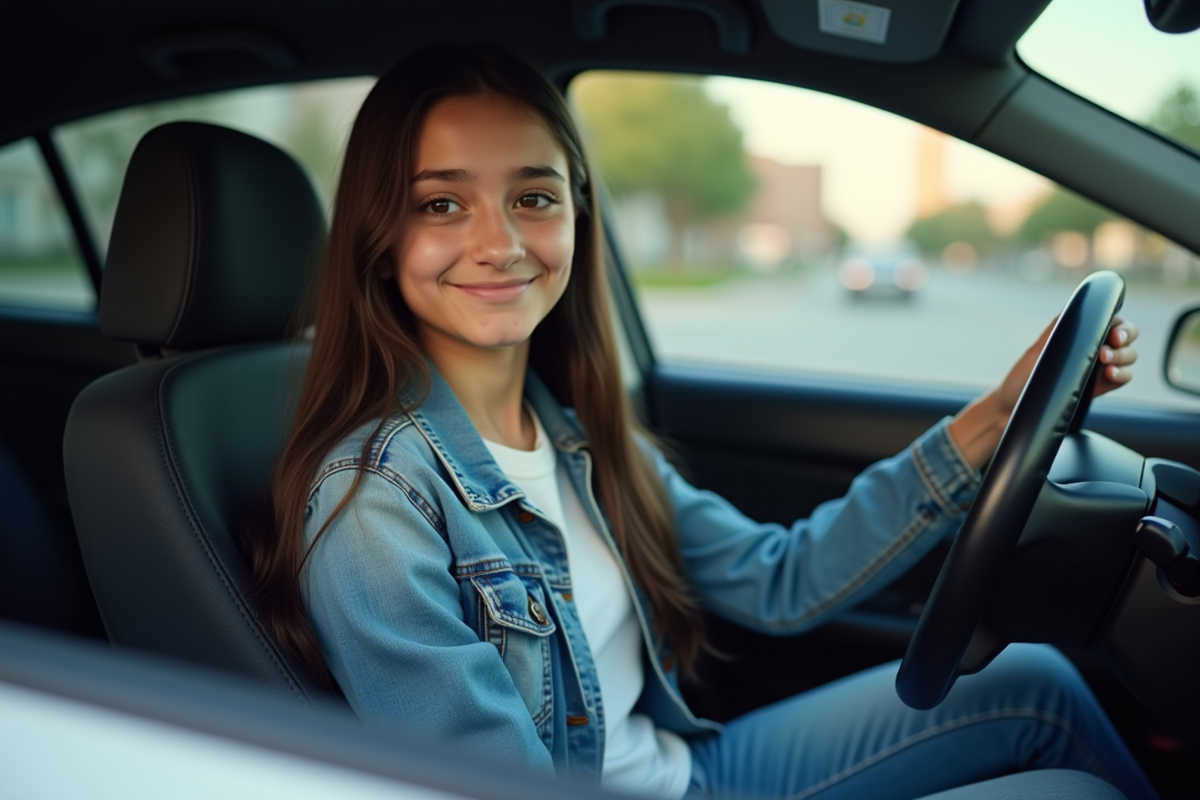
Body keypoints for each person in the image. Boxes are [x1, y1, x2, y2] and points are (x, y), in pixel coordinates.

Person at [251, 43, 1156, 800]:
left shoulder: (569, 434)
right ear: (380, 233)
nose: (502, 242)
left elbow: (780, 579)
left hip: (692, 771)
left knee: (1034, 682)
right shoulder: (376, 501)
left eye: (533, 197)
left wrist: (993, 419)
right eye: (441, 203)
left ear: (576, 217)